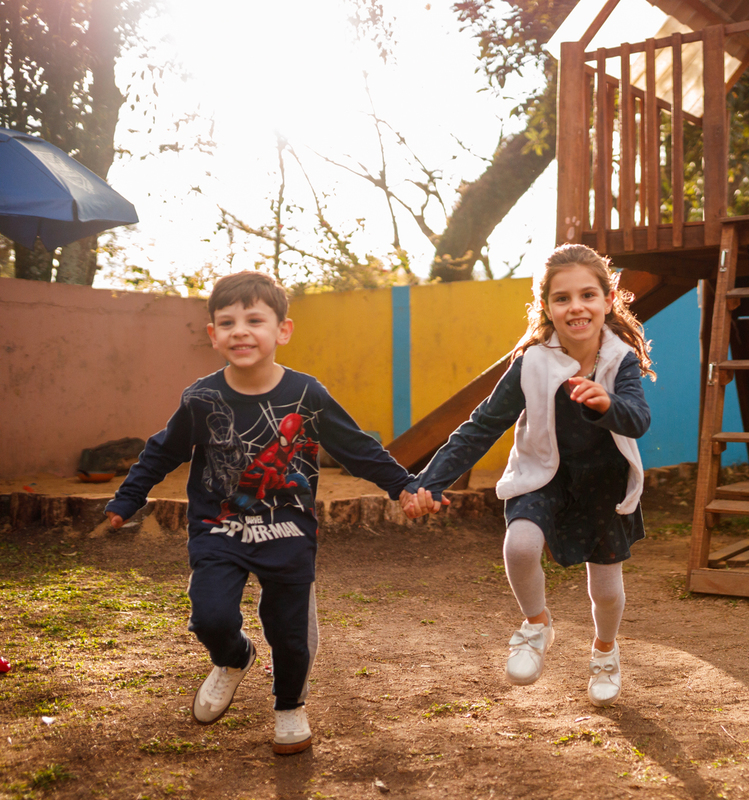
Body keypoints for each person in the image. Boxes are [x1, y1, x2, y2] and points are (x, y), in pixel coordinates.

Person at [105, 271, 419, 755]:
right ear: (213, 335)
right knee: (209, 616)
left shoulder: (307, 395)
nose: (241, 331)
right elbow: (161, 452)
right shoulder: (201, 397)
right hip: (219, 527)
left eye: (255, 319)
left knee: (290, 635)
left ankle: (290, 705)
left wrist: (403, 485)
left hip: (288, 531)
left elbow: (355, 447)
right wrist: (128, 499)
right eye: (227, 322)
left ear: (282, 330)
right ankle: (234, 658)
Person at [404, 243, 653, 707]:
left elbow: (638, 420)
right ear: (547, 307)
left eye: (587, 295)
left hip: (604, 482)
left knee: (607, 590)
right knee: (519, 545)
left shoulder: (621, 360)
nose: (576, 307)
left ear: (608, 298)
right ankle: (536, 626)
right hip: (543, 476)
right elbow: (481, 426)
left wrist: (607, 404)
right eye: (562, 298)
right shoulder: (532, 362)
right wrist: (429, 481)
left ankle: (604, 652)